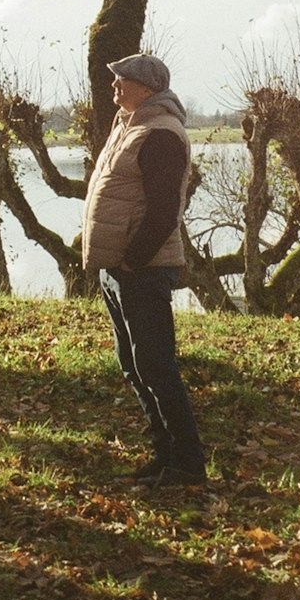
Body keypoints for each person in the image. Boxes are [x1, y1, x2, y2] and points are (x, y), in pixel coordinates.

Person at [82, 53, 207, 489]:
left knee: (155, 364)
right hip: (118, 270)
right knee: (134, 365)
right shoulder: (129, 124)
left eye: (123, 80)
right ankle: (165, 456)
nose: (115, 86)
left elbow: (163, 212)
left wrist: (132, 261)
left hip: (142, 270)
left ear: (148, 87)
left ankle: (188, 466)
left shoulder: (161, 135)